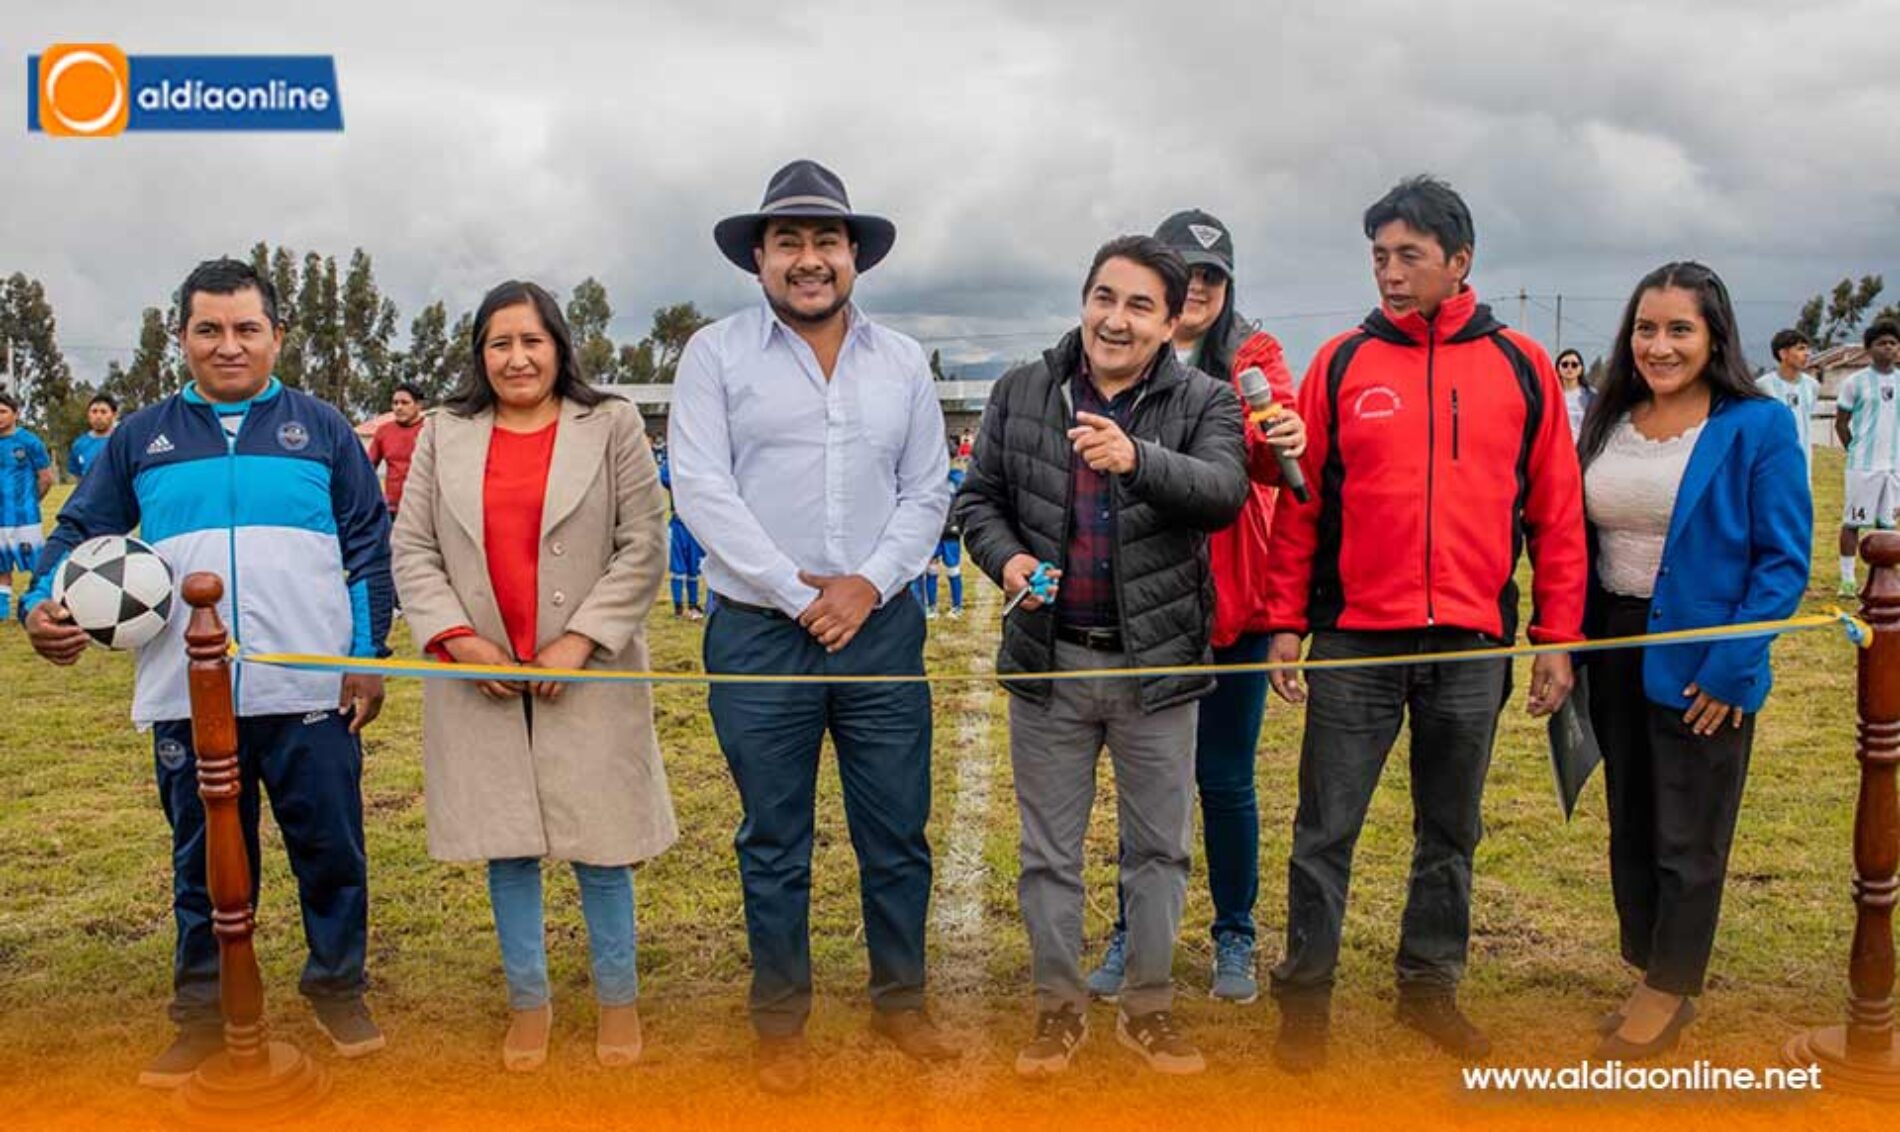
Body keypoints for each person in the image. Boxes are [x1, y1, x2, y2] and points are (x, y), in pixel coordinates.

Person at [21, 257, 392, 1086]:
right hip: (189, 696)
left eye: (246, 329)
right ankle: (201, 1014)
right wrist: (39, 604)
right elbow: (77, 531)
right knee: (203, 861)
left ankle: (337, 988)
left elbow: (368, 544)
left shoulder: (323, 427)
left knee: (330, 848)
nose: (229, 346)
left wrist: (366, 660)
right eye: (209, 330)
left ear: (276, 337)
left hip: (308, 688)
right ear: (180, 337)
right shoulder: (141, 437)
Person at [1262, 176, 1587, 1071]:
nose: (1391, 275)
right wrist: (1286, 620)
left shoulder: (1521, 364)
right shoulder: (1339, 363)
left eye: (1409, 256)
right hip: (1356, 642)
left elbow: (1555, 516)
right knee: (1325, 827)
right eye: (1379, 258)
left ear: (1460, 262)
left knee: (1451, 828)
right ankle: (1305, 998)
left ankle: (1429, 987)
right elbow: (1302, 505)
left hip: (1473, 646)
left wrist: (1557, 638)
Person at [670, 159, 953, 1093]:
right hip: (759, 630)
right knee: (774, 835)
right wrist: (801, 595)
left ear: (853, 255)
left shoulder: (903, 361)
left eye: (825, 240)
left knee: (896, 830)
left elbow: (925, 494)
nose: (808, 259)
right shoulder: (714, 355)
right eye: (787, 241)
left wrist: (866, 587)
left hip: (878, 628)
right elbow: (704, 492)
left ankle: (901, 1004)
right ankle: (780, 1022)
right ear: (759, 257)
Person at [957, 234, 1250, 1077]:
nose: (1115, 321)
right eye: (1104, 298)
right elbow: (979, 500)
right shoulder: (1022, 391)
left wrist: (1139, 459)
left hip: (1155, 671)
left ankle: (1149, 1008)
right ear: (1084, 300)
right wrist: (1006, 558)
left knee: (1158, 850)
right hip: (1050, 665)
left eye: (1139, 307)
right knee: (1048, 852)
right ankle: (1057, 1008)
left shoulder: (1206, 401)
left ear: (1169, 323)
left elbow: (1224, 493)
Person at [392, 279, 675, 1072]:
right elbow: (412, 548)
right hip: (479, 677)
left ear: (559, 345)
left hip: (586, 673)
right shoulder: (446, 433)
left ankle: (617, 1002)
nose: (517, 358)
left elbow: (642, 544)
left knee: (601, 845)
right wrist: (455, 639)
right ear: (480, 355)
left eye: (531, 340)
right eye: (499, 344)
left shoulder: (611, 423)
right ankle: (529, 1003)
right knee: (506, 845)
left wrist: (581, 640)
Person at [1578, 262, 1811, 1059]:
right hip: (1614, 645)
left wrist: (1731, 668)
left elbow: (1783, 562)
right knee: (1632, 821)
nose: (1660, 345)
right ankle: (1650, 967)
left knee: (1689, 831)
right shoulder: (1610, 418)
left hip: (1702, 655)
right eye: (1647, 327)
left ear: (1715, 335)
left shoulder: (1758, 424)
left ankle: (1670, 989)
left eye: (1680, 328)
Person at [1085, 209, 1306, 1007]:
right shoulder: (1122, 349)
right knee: (1147, 787)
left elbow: (1273, 464)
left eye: (1214, 275)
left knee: (1224, 779)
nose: (1202, 287)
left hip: (1231, 610)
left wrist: (1281, 432)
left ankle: (1234, 933)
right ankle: (1132, 929)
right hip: (1143, 605)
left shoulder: (1256, 356)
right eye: (1188, 273)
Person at [1835, 319, 1900, 595]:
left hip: (1894, 466)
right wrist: (1854, 449)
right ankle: (1847, 579)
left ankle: (1884, 578)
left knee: (1887, 524)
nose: (1889, 348)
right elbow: (1841, 422)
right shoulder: (1855, 382)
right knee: (1854, 521)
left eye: (1893, 343)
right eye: (1882, 343)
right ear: (1869, 348)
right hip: (1863, 465)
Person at [0, 391, 52, 620]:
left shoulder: (29, 442)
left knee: (36, 563)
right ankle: (2, 608)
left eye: (2, 411)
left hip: (25, 517)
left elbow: (46, 478)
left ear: (15, 414)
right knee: (1, 566)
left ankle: (40, 603)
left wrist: (30, 502)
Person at [1757, 329, 1819, 481]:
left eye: (1807, 348)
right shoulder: (1763, 386)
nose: (1807, 353)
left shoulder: (1812, 386)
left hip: (1803, 463)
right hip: (1771, 463)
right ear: (1783, 354)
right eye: (1800, 348)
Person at [656, 447, 706, 620]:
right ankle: (678, 607)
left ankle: (693, 605)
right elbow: (663, 477)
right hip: (678, 524)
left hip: (695, 525)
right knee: (678, 568)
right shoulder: (674, 469)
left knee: (694, 568)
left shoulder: (699, 466)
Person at [367, 383, 426, 516]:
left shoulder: (430, 431)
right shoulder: (383, 431)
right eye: (395, 403)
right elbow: (367, 469)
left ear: (419, 405)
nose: (399, 407)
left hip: (422, 509)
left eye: (405, 403)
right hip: (391, 509)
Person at [921, 463, 966, 619]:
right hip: (933, 532)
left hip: (950, 532)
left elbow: (965, 500)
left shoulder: (958, 478)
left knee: (953, 569)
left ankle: (957, 606)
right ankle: (932, 606)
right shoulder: (927, 477)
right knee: (931, 569)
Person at [67, 392, 118, 481]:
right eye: (94, 411)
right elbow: (78, 477)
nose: (98, 416)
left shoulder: (122, 440)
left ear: (114, 415)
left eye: (103, 412)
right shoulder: (79, 445)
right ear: (88, 415)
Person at [1556, 348, 1596, 441]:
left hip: (1583, 450)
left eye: (1574, 365)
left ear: (1581, 369)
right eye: (1565, 365)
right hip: (1558, 448)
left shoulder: (1591, 397)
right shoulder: (1551, 396)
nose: (1569, 368)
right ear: (1558, 368)